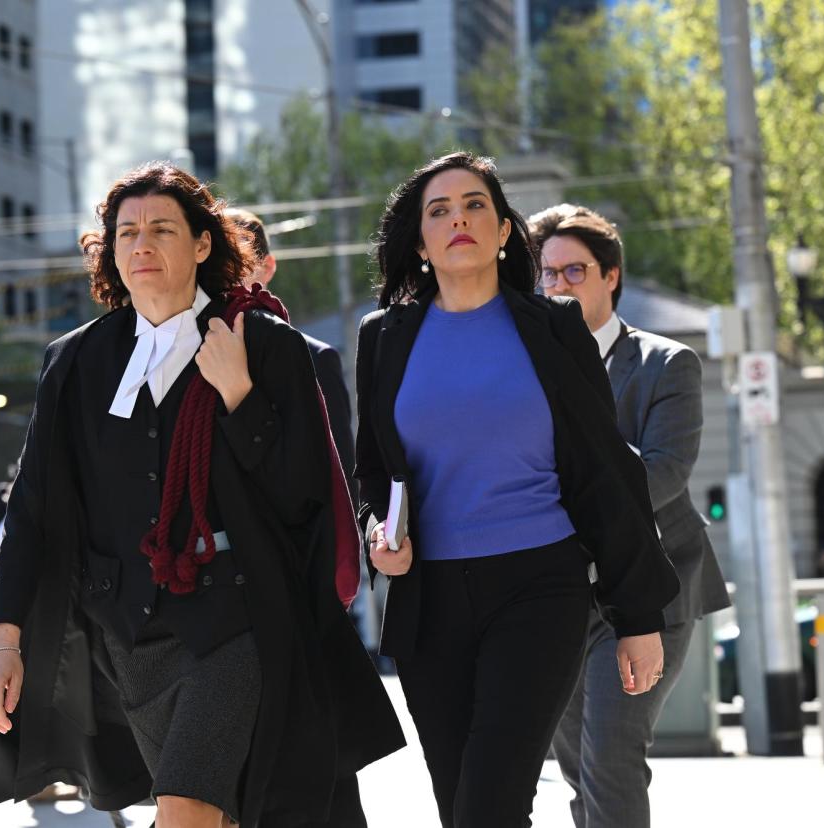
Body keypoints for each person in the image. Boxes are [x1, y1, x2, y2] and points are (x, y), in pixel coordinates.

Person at [0, 161, 403, 828]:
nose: (141, 245)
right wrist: (3, 643)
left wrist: (240, 398)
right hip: (126, 636)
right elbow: (34, 514)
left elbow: (306, 501)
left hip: (236, 622)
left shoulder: (265, 346)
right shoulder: (76, 360)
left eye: (162, 229)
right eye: (126, 232)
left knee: (185, 809)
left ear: (203, 244)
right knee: (219, 815)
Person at [354, 152, 679, 828]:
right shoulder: (383, 338)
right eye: (438, 212)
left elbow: (604, 472)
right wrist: (376, 535)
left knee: (490, 804)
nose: (459, 220)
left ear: (505, 231)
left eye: (475, 205)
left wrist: (637, 616)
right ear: (419, 243)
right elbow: (374, 473)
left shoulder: (554, 327)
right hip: (428, 600)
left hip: (539, 589)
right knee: (462, 806)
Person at [530, 203, 731, 828]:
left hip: (649, 590)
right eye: (548, 275)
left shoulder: (667, 365)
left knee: (611, 757)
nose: (559, 286)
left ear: (610, 276)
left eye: (574, 272)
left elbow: (666, 473)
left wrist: (564, 491)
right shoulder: (529, 370)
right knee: (577, 768)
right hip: (559, 594)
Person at [224, 208, 356, 495]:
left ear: (268, 267)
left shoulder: (316, 359)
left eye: (240, 262)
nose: (226, 277)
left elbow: (342, 480)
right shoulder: (186, 358)